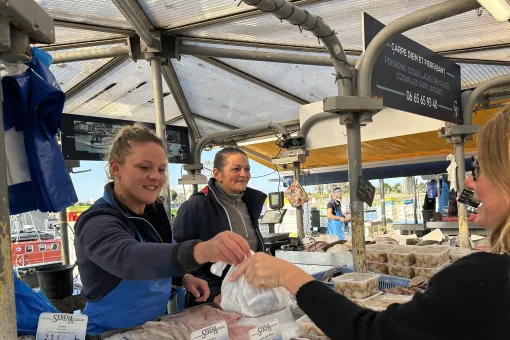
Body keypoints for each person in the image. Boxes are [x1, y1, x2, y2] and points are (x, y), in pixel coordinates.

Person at [230, 107, 510, 340]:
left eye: (479, 169)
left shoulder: (484, 279)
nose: (470, 182)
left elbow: (370, 334)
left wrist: (290, 277)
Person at [74, 124, 252, 335]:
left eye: (161, 169)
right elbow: (128, 258)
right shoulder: (96, 221)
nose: (155, 177)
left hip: (153, 328)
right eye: (144, 167)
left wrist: (182, 277)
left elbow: (157, 257)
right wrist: (202, 250)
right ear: (116, 168)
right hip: (109, 333)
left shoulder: (155, 211)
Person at [173, 147, 267, 307]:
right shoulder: (196, 205)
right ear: (217, 174)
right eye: (236, 169)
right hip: (212, 299)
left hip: (248, 296)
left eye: (247, 169)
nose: (244, 174)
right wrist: (213, 290)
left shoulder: (250, 203)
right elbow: (180, 255)